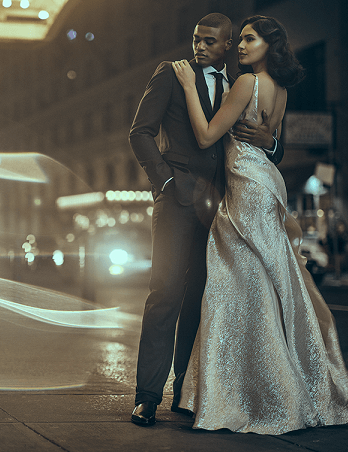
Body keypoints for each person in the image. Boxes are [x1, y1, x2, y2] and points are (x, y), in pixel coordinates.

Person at [172, 15, 348, 434]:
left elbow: (205, 137)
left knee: (235, 285)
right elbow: (268, 141)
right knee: (269, 280)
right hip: (265, 183)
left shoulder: (247, 84)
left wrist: (187, 87)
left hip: (246, 191)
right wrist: (270, 144)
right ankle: (273, 386)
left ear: (269, 45)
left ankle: (247, 393)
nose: (240, 46)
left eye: (249, 39)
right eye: (241, 39)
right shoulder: (282, 89)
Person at [128, 13, 284, 427]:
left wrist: (273, 143)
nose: (199, 46)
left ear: (228, 44)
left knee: (202, 299)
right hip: (176, 202)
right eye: (196, 38)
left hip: (221, 209)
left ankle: (185, 391)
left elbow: (256, 142)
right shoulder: (172, 74)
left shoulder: (239, 86)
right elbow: (139, 132)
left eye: (210, 41)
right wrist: (164, 181)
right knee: (165, 294)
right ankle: (147, 396)